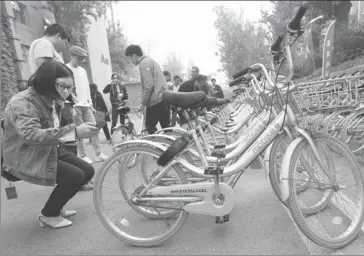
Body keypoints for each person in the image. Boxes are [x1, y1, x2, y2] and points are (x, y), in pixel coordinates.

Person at [2, 60, 99, 229]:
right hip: (25, 155)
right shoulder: (23, 102)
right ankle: (49, 214)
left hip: (47, 148)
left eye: (70, 87)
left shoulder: (51, 99)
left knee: (87, 171)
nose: (67, 91)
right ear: (47, 80)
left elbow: (53, 130)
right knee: (74, 176)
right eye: (63, 86)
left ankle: (56, 207)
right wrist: (75, 132)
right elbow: (31, 135)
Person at [66, 46, 108, 164]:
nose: (82, 61)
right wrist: (70, 105)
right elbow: (65, 89)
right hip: (75, 104)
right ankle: (83, 155)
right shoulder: (65, 68)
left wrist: (90, 104)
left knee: (94, 128)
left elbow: (86, 88)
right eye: (79, 58)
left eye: (83, 58)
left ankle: (98, 154)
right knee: (79, 130)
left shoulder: (83, 70)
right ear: (73, 56)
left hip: (86, 104)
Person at [125, 44, 170, 134]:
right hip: (165, 98)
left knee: (150, 127)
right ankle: (171, 146)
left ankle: (157, 147)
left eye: (129, 59)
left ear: (134, 56)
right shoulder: (151, 61)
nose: (130, 61)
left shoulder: (143, 64)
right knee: (167, 128)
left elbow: (149, 85)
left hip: (156, 100)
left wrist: (143, 103)